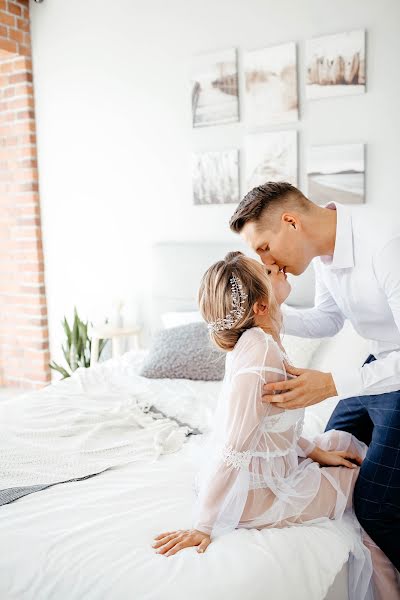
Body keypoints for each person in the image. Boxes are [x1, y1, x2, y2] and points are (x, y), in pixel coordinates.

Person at [152, 251, 399, 600]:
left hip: (269, 468)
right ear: (261, 307)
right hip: (258, 494)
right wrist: (202, 526)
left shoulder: (263, 342)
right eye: (266, 271)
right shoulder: (260, 354)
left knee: (342, 446)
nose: (276, 267)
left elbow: (268, 428)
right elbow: (235, 448)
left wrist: (313, 451)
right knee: (373, 485)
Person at [227, 181, 400, 576]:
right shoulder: (325, 254)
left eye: (264, 248)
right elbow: (329, 319)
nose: (266, 262)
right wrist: (266, 313)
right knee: (325, 457)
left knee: (375, 505)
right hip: (378, 365)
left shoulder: (387, 243)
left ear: (290, 222)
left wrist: (332, 383)